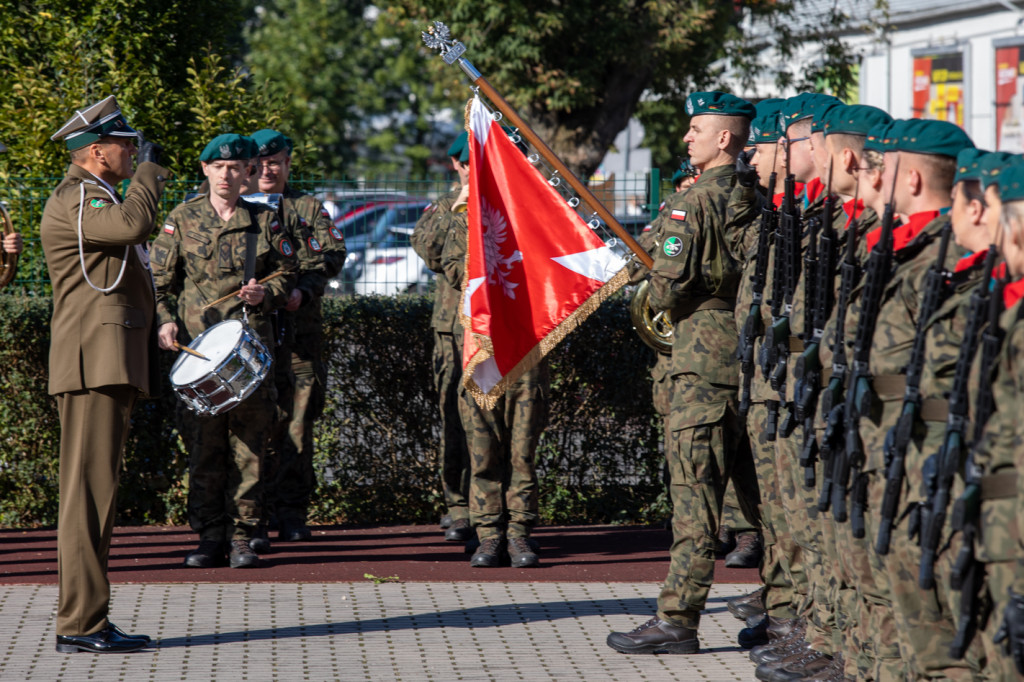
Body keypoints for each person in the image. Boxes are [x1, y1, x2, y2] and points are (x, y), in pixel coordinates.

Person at [606, 90, 758, 654]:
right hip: (746, 362)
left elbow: (664, 285)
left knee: (694, 498)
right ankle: (781, 606)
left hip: (699, 362)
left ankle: (678, 618)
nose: (685, 138)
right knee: (762, 498)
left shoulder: (691, 203)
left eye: (696, 129)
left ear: (725, 138)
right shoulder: (753, 194)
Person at [41, 95, 169, 653]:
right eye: (126, 145)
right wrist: (150, 173)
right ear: (97, 152)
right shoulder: (77, 198)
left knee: (97, 494)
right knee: (87, 497)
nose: (133, 151)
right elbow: (135, 222)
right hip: (93, 362)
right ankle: (80, 622)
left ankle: (86, 616)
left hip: (106, 359)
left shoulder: (97, 197)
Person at [150, 133, 299, 569]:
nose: (227, 175)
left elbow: (287, 271)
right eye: (219, 167)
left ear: (247, 173)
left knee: (250, 447)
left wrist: (265, 293)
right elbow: (161, 281)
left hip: (249, 350)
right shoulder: (183, 217)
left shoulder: (263, 220)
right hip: (197, 352)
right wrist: (165, 319)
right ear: (206, 170)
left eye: (236, 168)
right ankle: (210, 536)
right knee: (204, 447)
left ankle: (244, 536)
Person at [439, 136, 550, 569]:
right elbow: (451, 266)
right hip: (481, 347)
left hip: (524, 345)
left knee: (522, 451)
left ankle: (520, 534)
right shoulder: (463, 215)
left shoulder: (534, 210)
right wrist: (464, 210)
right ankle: (489, 535)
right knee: (482, 449)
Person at [250, 128, 344, 547]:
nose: (267, 169)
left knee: (297, 429)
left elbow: (330, 255)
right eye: (261, 162)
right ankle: (251, 515)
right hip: (250, 341)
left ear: (288, 163)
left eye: (276, 162)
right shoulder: (233, 208)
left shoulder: (306, 207)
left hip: (299, 337)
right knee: (254, 428)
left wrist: (304, 290)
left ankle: (291, 513)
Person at [411, 132, 473, 542]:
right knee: (455, 415)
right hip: (454, 328)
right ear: (457, 165)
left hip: (499, 329)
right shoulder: (445, 205)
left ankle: (497, 505)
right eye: (468, 164)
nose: (476, 171)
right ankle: (459, 505)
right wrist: (458, 205)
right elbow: (429, 251)